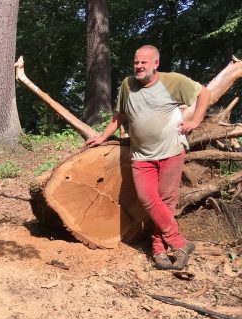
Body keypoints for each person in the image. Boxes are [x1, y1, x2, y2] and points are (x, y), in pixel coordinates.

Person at [85, 45, 211, 270]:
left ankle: (158, 247)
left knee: (165, 202)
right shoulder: (128, 85)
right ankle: (179, 242)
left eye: (144, 62)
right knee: (147, 199)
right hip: (142, 156)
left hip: (172, 151)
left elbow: (204, 92)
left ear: (156, 64)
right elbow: (119, 116)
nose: (139, 66)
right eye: (136, 62)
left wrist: (196, 121)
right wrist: (102, 137)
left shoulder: (172, 81)